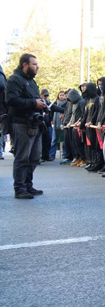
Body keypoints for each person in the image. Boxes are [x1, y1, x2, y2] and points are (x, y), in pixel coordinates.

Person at [5, 54, 48, 199]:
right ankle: (20, 188)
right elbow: (11, 100)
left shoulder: (32, 82)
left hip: (35, 124)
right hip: (21, 123)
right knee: (22, 157)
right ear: (25, 65)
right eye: (34, 64)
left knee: (34, 157)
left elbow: (32, 100)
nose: (37, 67)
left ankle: (28, 185)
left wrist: (40, 104)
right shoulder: (15, 80)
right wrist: (34, 103)